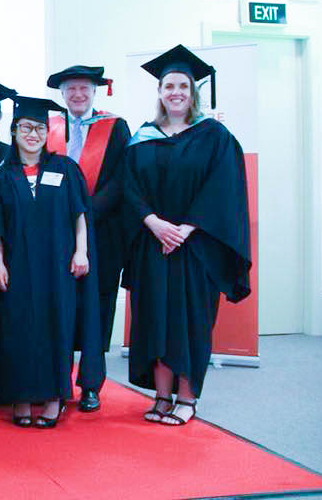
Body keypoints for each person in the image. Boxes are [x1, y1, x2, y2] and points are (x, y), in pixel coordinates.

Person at [125, 44, 251, 426]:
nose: (176, 92)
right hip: (154, 243)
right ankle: (162, 396)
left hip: (195, 247)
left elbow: (224, 186)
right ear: (160, 92)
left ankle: (187, 398)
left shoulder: (214, 135)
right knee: (155, 318)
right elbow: (129, 186)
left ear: (193, 91)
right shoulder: (142, 136)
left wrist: (187, 227)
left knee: (191, 320)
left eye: (183, 85)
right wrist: (154, 223)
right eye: (169, 86)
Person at [0, 95, 105, 428]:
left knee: (57, 325)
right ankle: (22, 398)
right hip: (19, 265)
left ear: (47, 132)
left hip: (58, 264)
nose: (33, 134)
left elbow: (80, 213)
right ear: (14, 130)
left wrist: (81, 251)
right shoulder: (3, 174)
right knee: (19, 328)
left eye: (39, 128)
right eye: (26, 127)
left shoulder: (65, 168)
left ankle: (55, 397)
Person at [45, 65, 130, 413]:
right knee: (59, 306)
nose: (77, 95)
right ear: (62, 95)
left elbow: (123, 179)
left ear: (95, 91)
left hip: (102, 231)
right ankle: (58, 380)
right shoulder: (50, 128)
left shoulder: (116, 126)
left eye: (83, 89)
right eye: (70, 90)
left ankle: (91, 384)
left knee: (98, 307)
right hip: (57, 234)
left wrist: (85, 211)